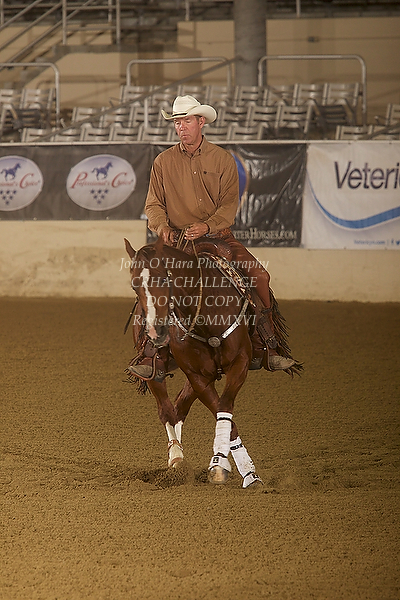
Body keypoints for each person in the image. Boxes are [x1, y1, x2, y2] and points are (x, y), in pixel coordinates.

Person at [130, 95, 295, 379]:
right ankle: (152, 353)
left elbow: (229, 205)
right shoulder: (163, 162)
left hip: (219, 237)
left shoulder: (222, 159)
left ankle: (266, 344)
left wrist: (207, 226)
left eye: (187, 121)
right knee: (151, 287)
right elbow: (153, 204)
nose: (181, 127)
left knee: (260, 276)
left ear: (201, 122)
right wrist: (162, 227)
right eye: (177, 122)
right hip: (178, 242)